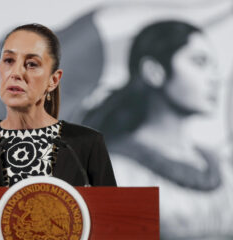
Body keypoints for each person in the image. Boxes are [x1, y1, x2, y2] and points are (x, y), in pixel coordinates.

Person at [82, 20, 233, 239]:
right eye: (199, 62)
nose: (214, 78)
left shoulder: (224, 170)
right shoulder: (118, 173)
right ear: (154, 71)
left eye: (214, 66)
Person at [0, 23, 117, 188]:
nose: (16, 73)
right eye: (8, 61)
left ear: (53, 80)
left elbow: (116, 218)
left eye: (31, 64)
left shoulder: (88, 144)